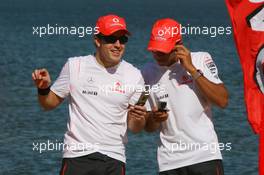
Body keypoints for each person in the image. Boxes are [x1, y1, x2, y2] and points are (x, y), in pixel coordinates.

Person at [32, 14, 147, 175]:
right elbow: (48, 104)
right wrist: (44, 88)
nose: (118, 45)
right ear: (97, 40)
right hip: (77, 157)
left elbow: (134, 128)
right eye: (111, 39)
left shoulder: (134, 75)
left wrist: (140, 118)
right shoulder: (75, 66)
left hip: (114, 159)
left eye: (122, 40)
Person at [142, 18, 229, 175]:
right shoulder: (146, 72)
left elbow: (222, 100)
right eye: (154, 49)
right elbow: (148, 127)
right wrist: (155, 119)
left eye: (162, 50)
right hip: (169, 162)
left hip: (204, 157)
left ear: (178, 45)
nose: (157, 54)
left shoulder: (200, 59)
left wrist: (192, 70)